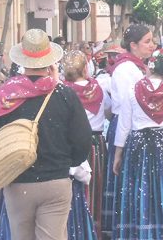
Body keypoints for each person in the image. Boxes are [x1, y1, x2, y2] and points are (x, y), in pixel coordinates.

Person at [0, 28, 91, 240]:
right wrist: (66, 162)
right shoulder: (64, 94)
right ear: (49, 60)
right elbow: (82, 139)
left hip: (18, 179)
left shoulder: (7, 95)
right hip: (55, 179)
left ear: (23, 59)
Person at [112, 49, 163, 239]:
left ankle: (142, 232)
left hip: (139, 143)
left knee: (141, 188)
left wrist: (118, 154)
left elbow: (124, 124)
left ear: (150, 66)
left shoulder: (133, 89)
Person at [101, 25, 154, 236]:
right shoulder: (125, 69)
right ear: (133, 45)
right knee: (126, 179)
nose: (152, 45)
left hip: (135, 128)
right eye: (147, 41)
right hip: (127, 128)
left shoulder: (137, 67)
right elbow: (124, 107)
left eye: (152, 41)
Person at [62, 50, 109, 231]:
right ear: (85, 69)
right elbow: (109, 111)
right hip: (95, 145)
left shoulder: (62, 91)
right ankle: (92, 230)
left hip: (70, 146)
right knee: (95, 189)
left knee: (71, 191)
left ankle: (73, 229)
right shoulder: (100, 88)